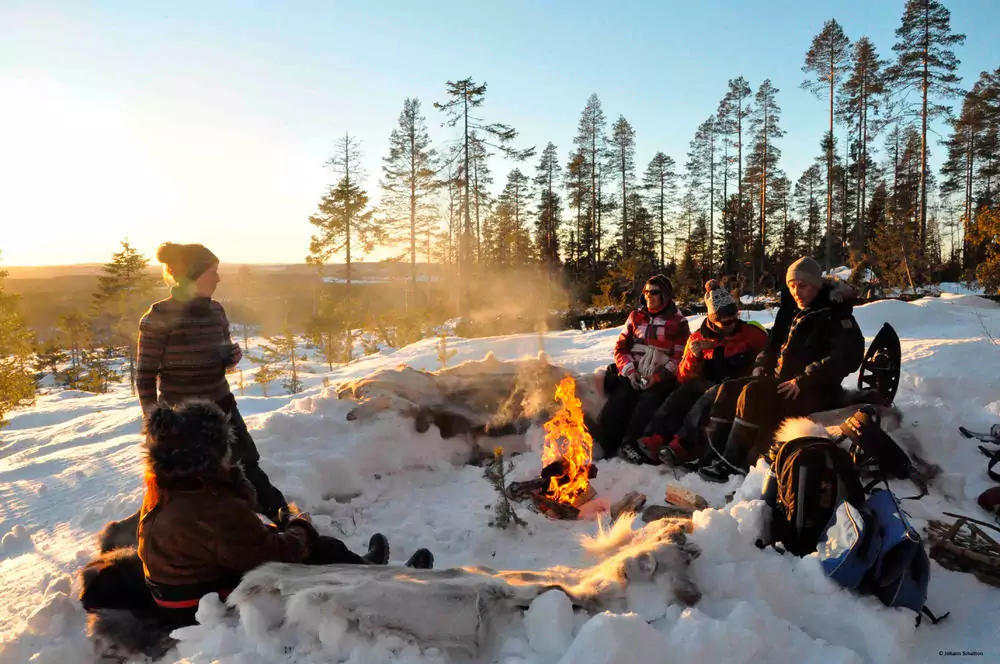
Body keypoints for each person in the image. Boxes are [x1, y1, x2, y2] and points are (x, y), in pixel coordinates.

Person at [137, 400, 433, 625]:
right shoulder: (211, 505)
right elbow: (274, 554)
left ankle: (366, 570)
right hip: (203, 605)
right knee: (321, 550)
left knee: (303, 543)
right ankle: (389, 589)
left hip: (181, 594)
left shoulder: (165, 489)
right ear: (211, 455)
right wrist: (301, 527)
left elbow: (228, 543)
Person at [136, 242, 286, 522]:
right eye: (212, 271)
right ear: (192, 275)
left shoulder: (216, 311)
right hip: (182, 420)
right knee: (184, 489)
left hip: (223, 407)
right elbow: (145, 376)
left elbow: (220, 357)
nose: (218, 278)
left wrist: (229, 358)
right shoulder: (158, 317)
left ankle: (284, 522)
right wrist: (155, 422)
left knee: (247, 468)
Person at [698, 256, 865, 483]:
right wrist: (761, 364)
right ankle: (713, 454)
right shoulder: (796, 310)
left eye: (802, 285)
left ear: (816, 285)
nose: (796, 292)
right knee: (729, 389)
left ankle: (732, 462)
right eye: (792, 286)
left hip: (815, 390)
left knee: (753, 394)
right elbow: (774, 344)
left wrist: (804, 379)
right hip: (784, 382)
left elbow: (847, 357)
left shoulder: (835, 314)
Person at [621, 280, 767, 465]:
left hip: (738, 384)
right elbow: (683, 376)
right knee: (682, 394)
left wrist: (759, 365)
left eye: (734, 317)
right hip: (708, 381)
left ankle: (682, 446)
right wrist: (694, 356)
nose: (731, 324)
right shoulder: (698, 338)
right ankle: (655, 437)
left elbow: (769, 351)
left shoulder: (751, 332)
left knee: (706, 399)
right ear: (712, 318)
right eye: (725, 321)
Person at [594, 274, 690, 459]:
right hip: (635, 371)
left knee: (647, 402)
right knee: (620, 399)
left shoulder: (678, 322)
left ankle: (631, 444)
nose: (648, 296)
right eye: (646, 292)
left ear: (665, 295)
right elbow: (621, 348)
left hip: (659, 375)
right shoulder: (636, 317)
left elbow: (680, 357)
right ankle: (604, 444)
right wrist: (630, 371)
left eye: (654, 292)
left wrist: (657, 377)